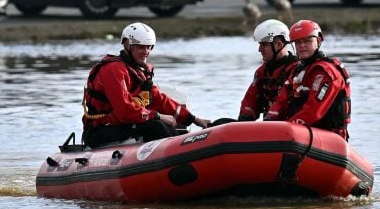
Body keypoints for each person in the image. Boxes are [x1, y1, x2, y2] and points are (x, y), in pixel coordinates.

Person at [82, 22, 211, 148]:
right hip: (100, 130)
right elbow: (124, 111)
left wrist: (194, 119)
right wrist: (158, 116)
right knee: (156, 125)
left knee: (167, 126)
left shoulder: (138, 71)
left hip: (121, 125)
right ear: (127, 44)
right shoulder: (113, 69)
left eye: (149, 47)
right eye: (141, 47)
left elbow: (160, 100)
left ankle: (183, 153)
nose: (146, 52)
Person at [266, 19, 351, 140]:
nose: (302, 46)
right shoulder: (297, 70)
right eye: (298, 42)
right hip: (302, 133)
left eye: (307, 41)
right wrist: (268, 120)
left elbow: (313, 111)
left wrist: (287, 129)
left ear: (318, 40)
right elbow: (282, 101)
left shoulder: (326, 73)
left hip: (329, 137)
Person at [237, 19, 298, 121]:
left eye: (264, 45)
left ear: (279, 45)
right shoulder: (262, 72)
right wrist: (245, 118)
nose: (259, 49)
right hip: (269, 126)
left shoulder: (297, 70)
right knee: (221, 122)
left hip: (290, 126)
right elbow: (250, 99)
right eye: (260, 44)